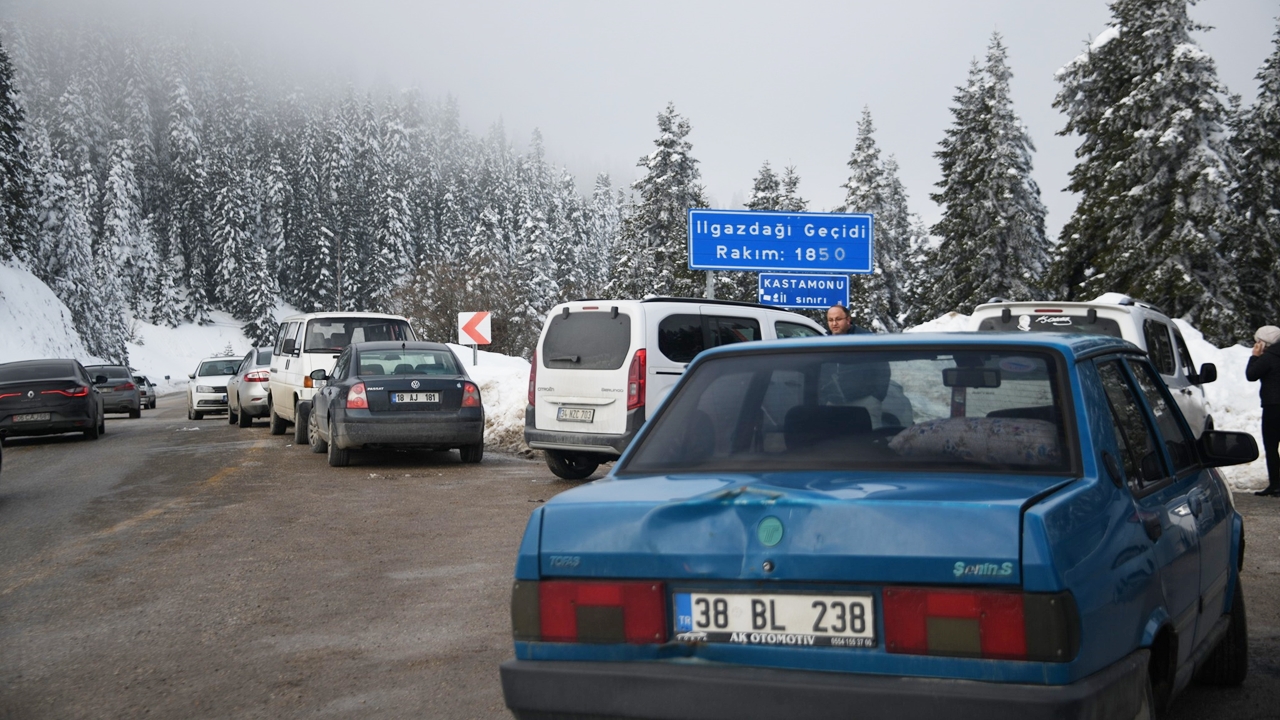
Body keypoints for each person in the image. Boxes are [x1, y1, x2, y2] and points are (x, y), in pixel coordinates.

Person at [1247, 325, 1280, 496]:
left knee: (1272, 446)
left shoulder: (1269, 358)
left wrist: (1254, 357)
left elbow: (1251, 375)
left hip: (1273, 407)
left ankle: (1276, 484)